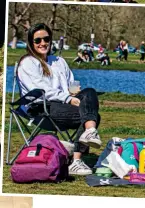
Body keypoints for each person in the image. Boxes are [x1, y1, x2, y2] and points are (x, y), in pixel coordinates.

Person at [17, 23, 102, 175]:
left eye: (46, 39)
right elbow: (41, 91)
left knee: (90, 92)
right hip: (41, 108)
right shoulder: (28, 63)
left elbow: (71, 84)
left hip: (63, 104)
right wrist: (68, 99)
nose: (43, 43)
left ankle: (88, 136)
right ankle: (77, 158)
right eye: (38, 40)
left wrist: (75, 93)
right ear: (31, 43)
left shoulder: (59, 61)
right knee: (92, 115)